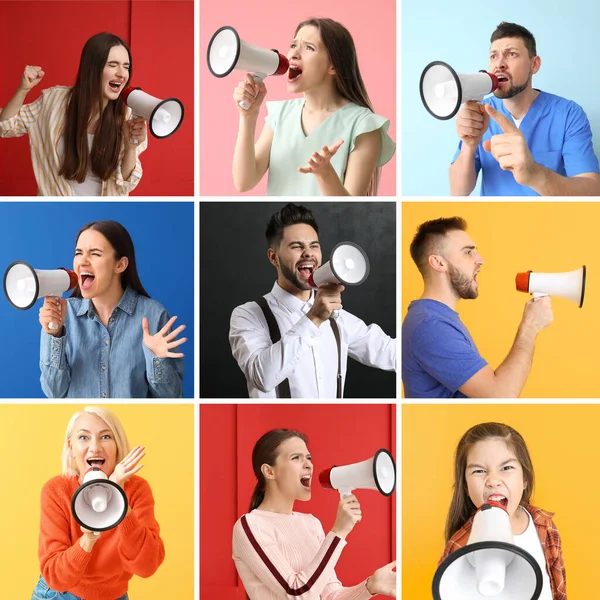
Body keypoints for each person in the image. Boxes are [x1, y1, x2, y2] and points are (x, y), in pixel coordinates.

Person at [229, 203, 396, 398]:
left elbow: (389, 352)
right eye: (297, 246)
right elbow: (262, 377)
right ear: (274, 257)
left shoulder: (337, 318)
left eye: (314, 246)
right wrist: (313, 318)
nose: (308, 253)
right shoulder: (248, 315)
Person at [231, 18, 395, 196]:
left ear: (333, 66)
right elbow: (243, 182)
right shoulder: (280, 115)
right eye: (293, 45)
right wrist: (248, 116)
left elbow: (352, 210)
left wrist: (325, 174)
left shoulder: (363, 125)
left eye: (309, 47)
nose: (293, 54)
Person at [232, 429, 396, 599]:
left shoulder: (311, 524)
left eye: (309, 458)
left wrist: (370, 586)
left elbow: (331, 596)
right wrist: (338, 532)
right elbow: (296, 593)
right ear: (269, 471)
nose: (309, 464)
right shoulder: (251, 525)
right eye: (296, 458)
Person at [402, 217, 552, 398]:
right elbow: (501, 396)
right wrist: (530, 325)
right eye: (468, 253)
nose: (480, 260)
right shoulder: (431, 326)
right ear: (439, 263)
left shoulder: (435, 319)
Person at [449, 21, 600, 197]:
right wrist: (469, 145)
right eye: (493, 56)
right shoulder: (481, 112)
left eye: (511, 54)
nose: (499, 64)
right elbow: (458, 191)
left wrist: (534, 174)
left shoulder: (568, 114)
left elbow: (593, 191)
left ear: (534, 65)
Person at [39, 220, 186, 398]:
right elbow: (54, 392)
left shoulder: (154, 315)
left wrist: (156, 359)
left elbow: (172, 398)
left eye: (95, 254)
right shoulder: (63, 315)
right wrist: (54, 335)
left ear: (120, 265)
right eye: (78, 253)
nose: (83, 261)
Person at [31, 406, 165, 600]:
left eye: (106, 437)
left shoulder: (137, 490)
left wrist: (119, 501)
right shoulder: (56, 490)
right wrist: (87, 540)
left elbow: (147, 566)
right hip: (60, 594)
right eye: (84, 437)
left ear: (118, 444)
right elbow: (56, 577)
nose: (95, 447)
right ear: (71, 446)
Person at [0, 32, 147, 196]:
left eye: (126, 66)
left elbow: (124, 186)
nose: (122, 73)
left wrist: (131, 149)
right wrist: (23, 90)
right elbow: (5, 127)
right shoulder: (53, 101)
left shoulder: (128, 114)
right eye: (113, 65)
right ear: (92, 67)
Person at [439, 422, 566, 600]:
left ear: (524, 479)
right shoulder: (458, 548)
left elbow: (558, 588)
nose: (493, 480)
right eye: (479, 471)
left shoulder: (544, 525)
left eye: (506, 468)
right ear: (466, 487)